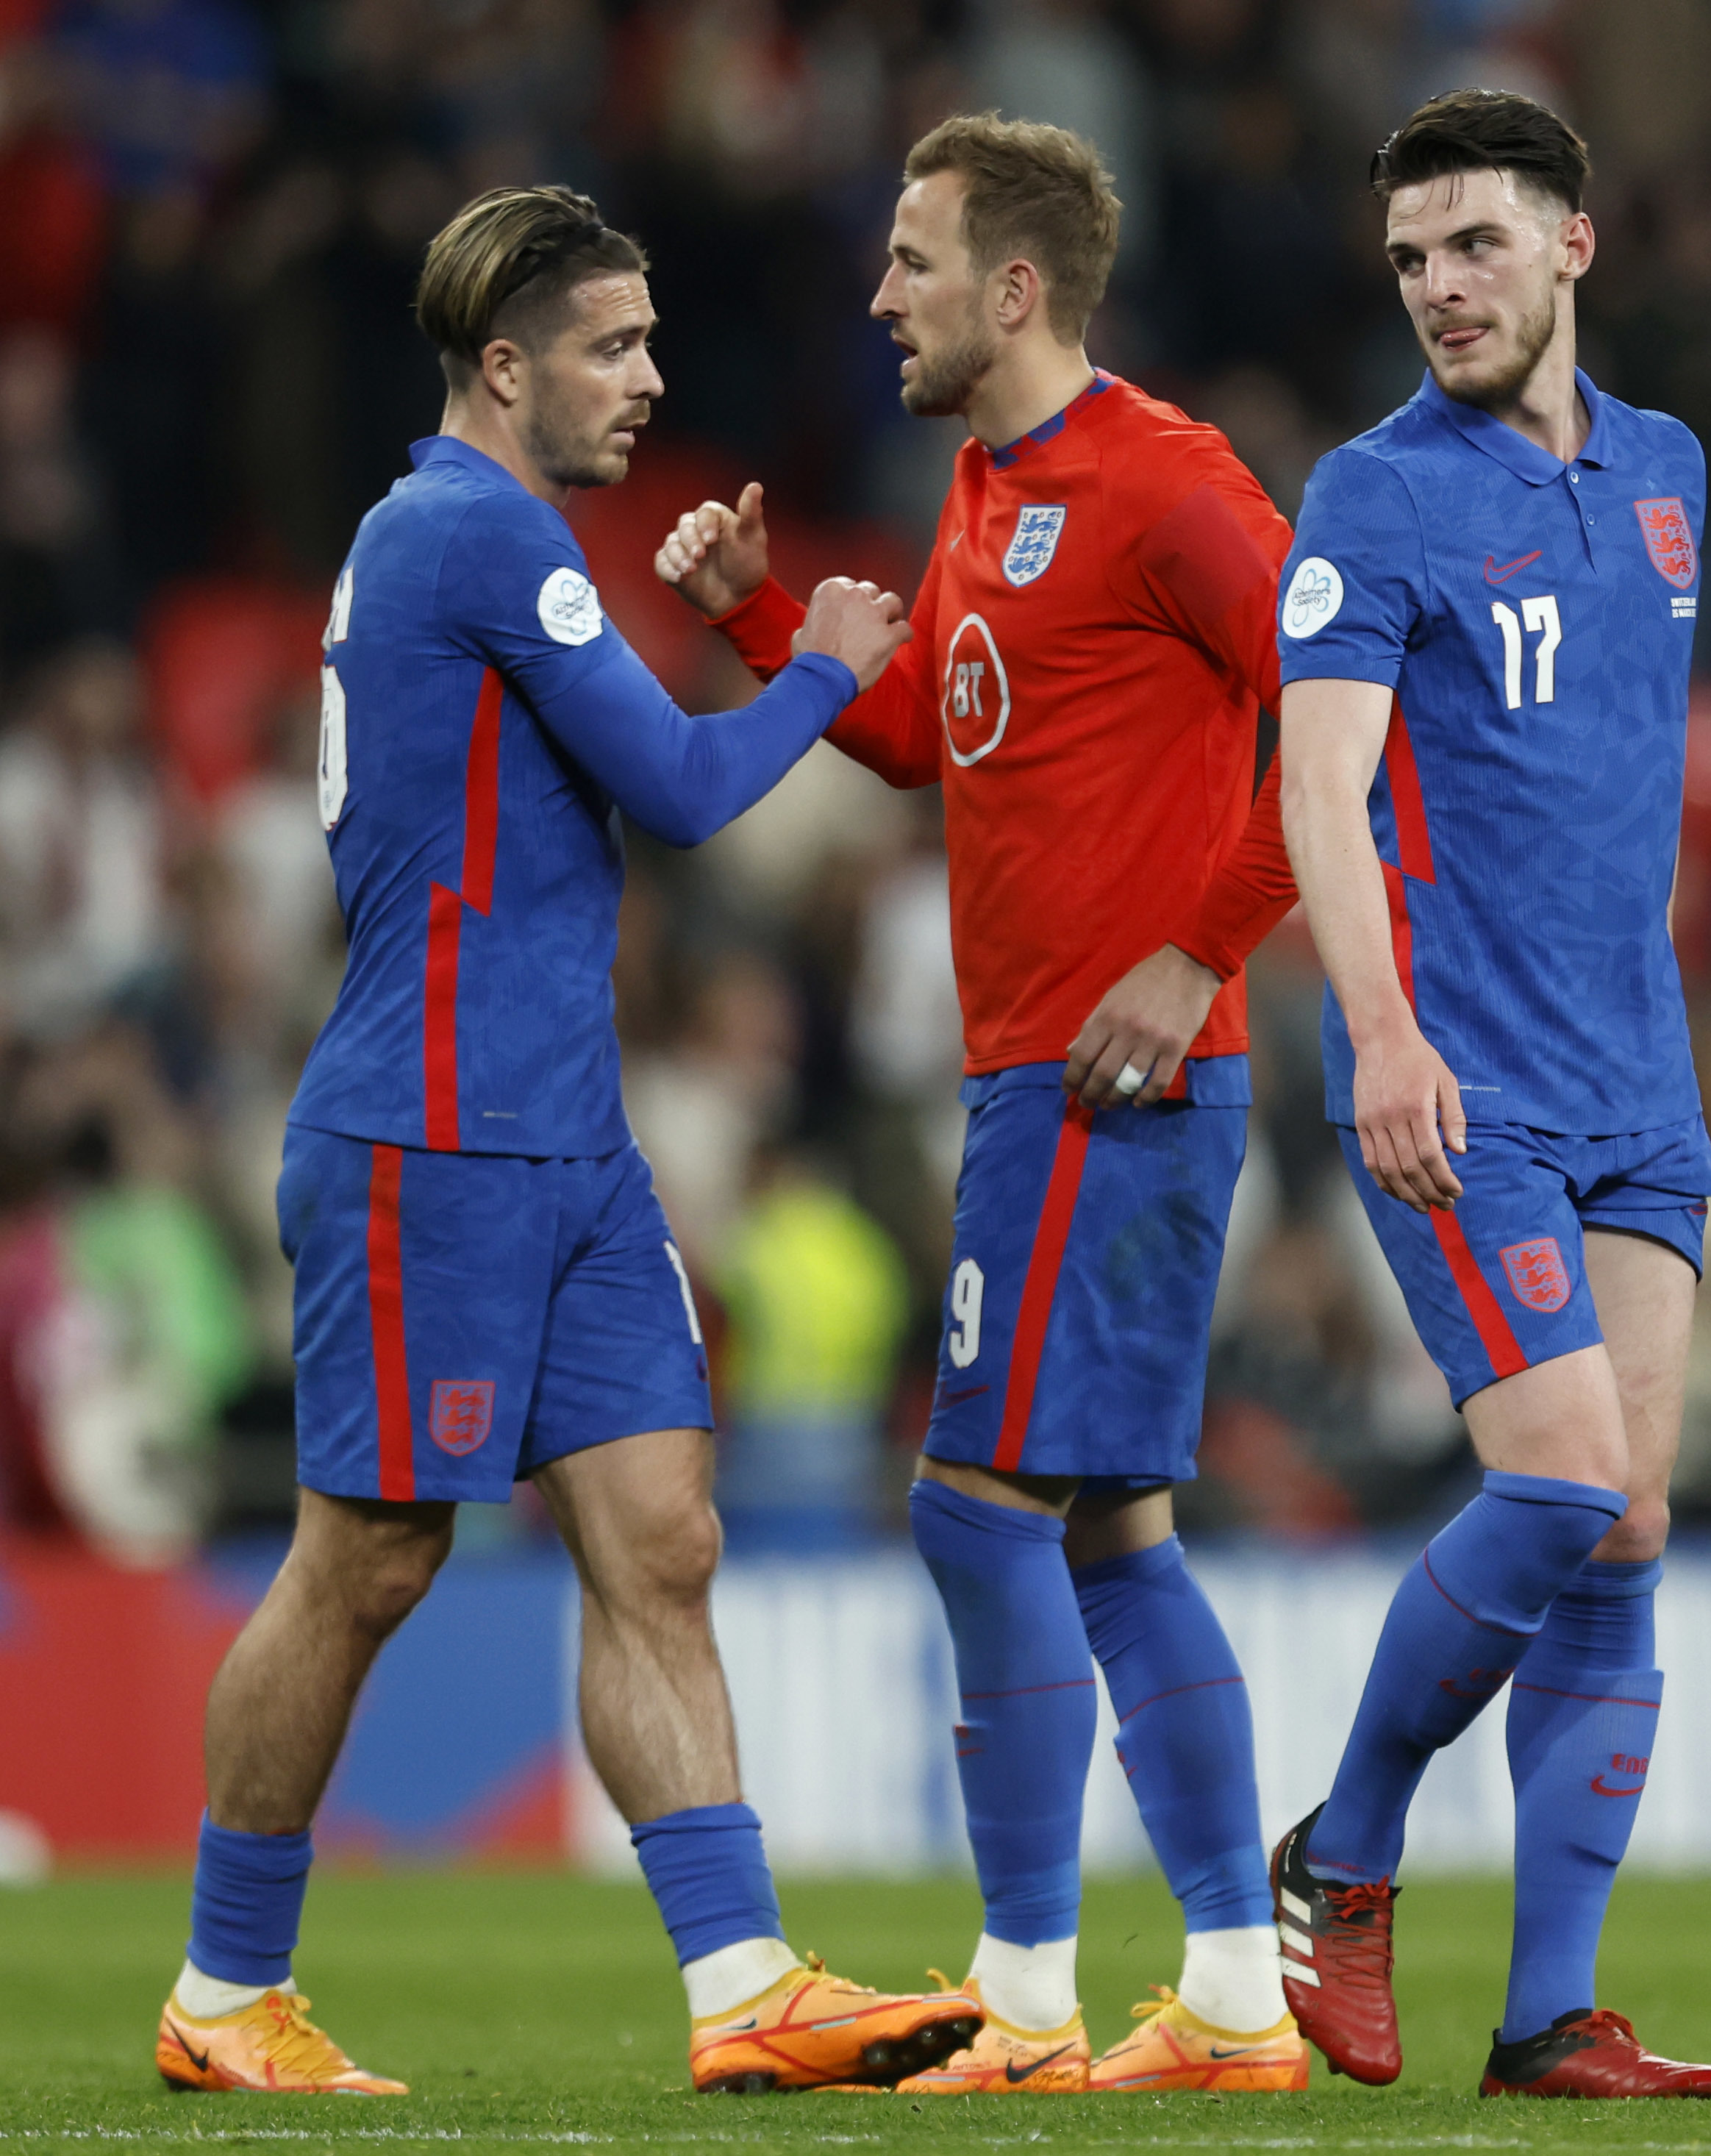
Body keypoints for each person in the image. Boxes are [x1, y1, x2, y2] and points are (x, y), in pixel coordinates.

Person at [151, 185, 979, 2099]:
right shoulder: (464, 531)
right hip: (429, 1132)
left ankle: (744, 1981)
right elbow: (686, 787)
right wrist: (826, 656)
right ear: (506, 368)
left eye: (652, 339)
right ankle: (223, 1989)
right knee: (363, 1561)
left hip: (567, 1139)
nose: (650, 378)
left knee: (662, 1540)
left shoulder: (489, 539)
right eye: (614, 345)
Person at [657, 115, 1304, 2095]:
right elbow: (935, 737)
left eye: (912, 261)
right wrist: (770, 625)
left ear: (1012, 288)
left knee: (967, 1510)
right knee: (1109, 1530)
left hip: (1115, 1077)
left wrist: (1199, 949)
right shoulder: (981, 488)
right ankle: (1227, 1996)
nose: (879, 295)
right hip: (1044, 1075)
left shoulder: (1164, 481)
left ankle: (1022, 1998)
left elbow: (1347, 706)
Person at [1265, 91, 1711, 2100]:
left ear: (1572, 245)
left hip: (1640, 1077)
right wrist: (1377, 1028)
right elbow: (1317, 782)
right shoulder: (1371, 495)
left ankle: (1547, 2011)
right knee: (1549, 1475)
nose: (1436, 288)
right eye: (1406, 260)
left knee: (1622, 1524)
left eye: (1471, 244)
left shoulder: (1667, 474)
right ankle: (1341, 1849)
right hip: (1455, 1076)